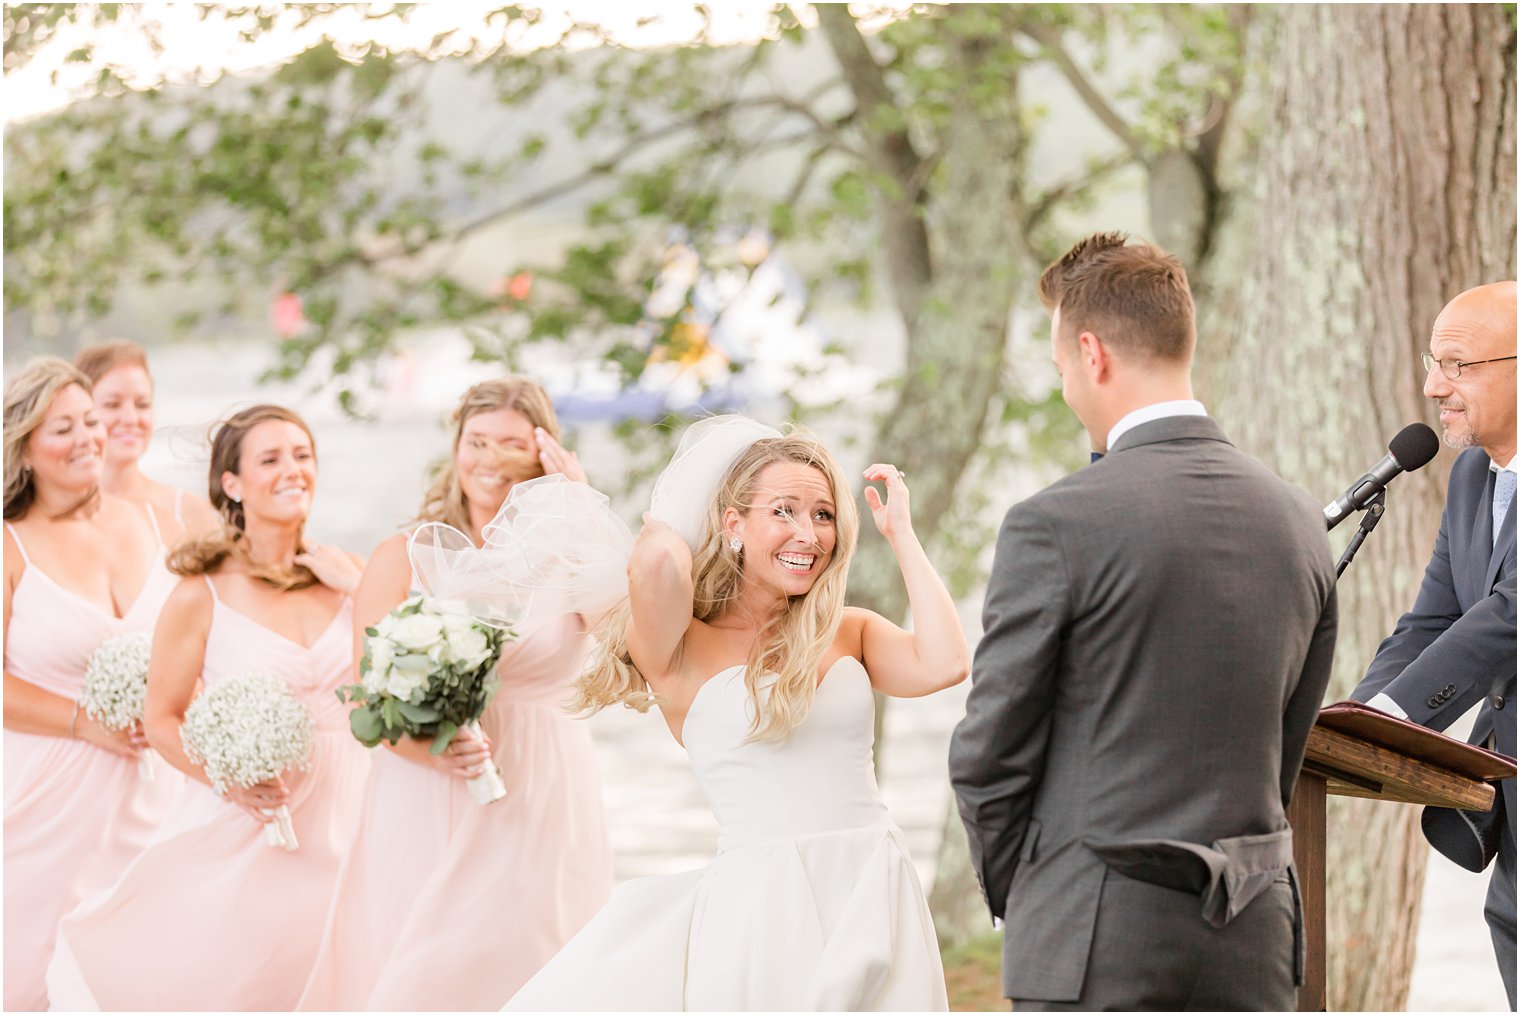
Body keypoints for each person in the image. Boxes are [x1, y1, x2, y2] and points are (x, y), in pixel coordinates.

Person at [452, 414, 968, 1010]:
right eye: (784, 511)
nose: (808, 533)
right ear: (732, 523)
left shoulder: (848, 631)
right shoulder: (679, 651)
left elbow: (946, 662)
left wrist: (900, 532)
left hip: (873, 884)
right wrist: (671, 520)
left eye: (823, 514)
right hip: (763, 904)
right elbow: (657, 567)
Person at [949, 233, 1338, 1010]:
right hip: (1253, 937)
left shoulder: (1054, 522)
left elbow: (991, 752)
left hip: (1094, 935)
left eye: (1061, 367)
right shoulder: (1298, 519)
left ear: (1091, 353)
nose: (1065, 387)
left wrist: (1030, 888)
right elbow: (1286, 745)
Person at [298, 378, 614, 1010]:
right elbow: (363, 698)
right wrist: (430, 752)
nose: (489, 459)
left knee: (536, 962)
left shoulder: (573, 558)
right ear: (456, 447)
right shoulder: (405, 555)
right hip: (429, 783)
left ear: (543, 453)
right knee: (425, 969)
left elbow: (628, 636)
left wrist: (579, 508)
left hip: (543, 788)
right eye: (476, 441)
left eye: (511, 444)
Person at [46, 404, 371, 1011]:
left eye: (302, 455)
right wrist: (231, 783)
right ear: (232, 484)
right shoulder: (201, 594)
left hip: (353, 821)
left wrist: (362, 588)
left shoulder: (347, 574)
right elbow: (163, 719)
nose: (293, 470)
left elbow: (398, 680)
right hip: (256, 826)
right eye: (270, 459)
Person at [1351, 281, 1517, 1009]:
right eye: (1431, 361)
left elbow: (1508, 615)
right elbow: (1433, 620)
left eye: (1456, 364)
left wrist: (1394, 715)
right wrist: (1354, 724)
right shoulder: (1472, 475)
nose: (1432, 386)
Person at [2, 358, 181, 1011]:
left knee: (152, 969)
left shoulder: (150, 525)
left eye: (90, 420)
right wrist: (87, 720)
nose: (87, 437)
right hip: (47, 797)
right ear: (24, 447)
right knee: (31, 978)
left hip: (156, 790)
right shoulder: (9, 546)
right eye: (61, 429)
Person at [74, 339, 220, 540]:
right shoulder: (57, 513)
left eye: (142, 405)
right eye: (112, 404)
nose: (131, 419)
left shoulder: (190, 512)